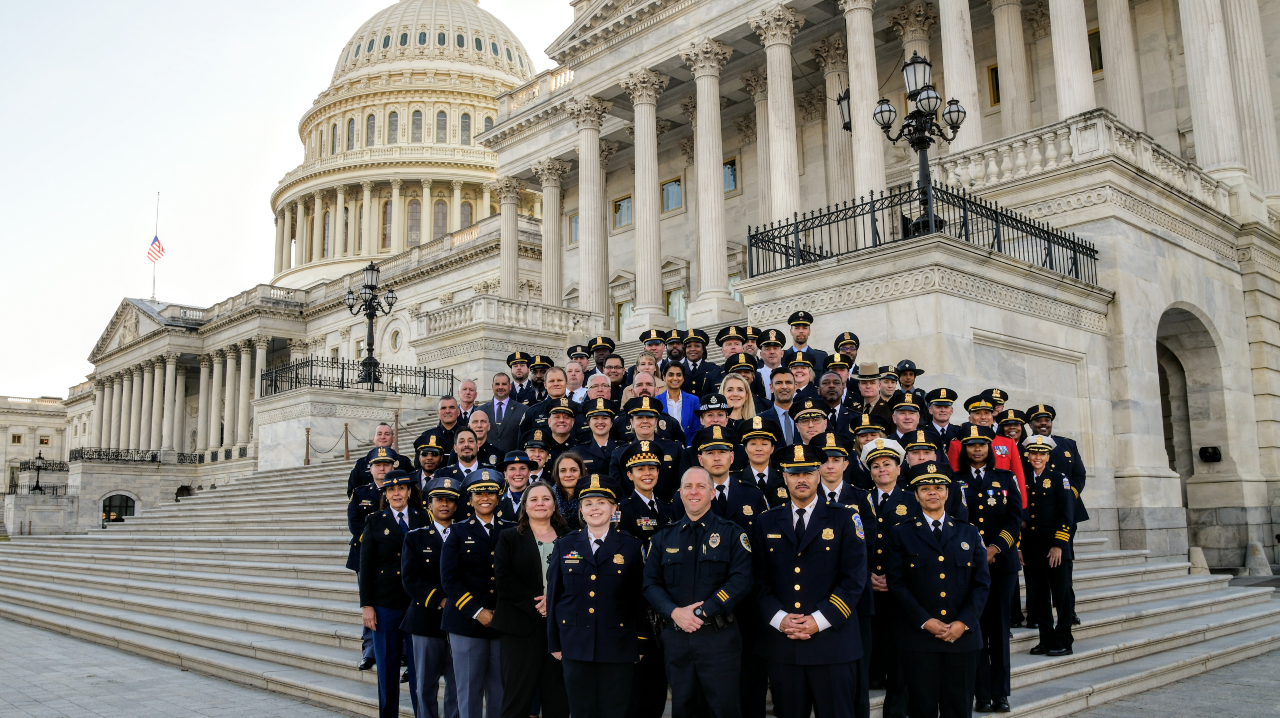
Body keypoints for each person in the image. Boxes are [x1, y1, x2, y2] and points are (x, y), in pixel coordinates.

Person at [752, 443, 868, 718]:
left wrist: (820, 619)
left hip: (833, 644)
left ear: (819, 475)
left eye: (808, 472)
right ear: (784, 477)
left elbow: (854, 579)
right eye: (794, 473)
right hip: (785, 645)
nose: (801, 479)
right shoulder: (766, 522)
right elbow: (758, 580)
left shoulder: (845, 518)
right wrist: (780, 619)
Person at [644, 467, 754, 718]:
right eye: (688, 487)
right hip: (677, 639)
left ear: (712, 493)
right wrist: (674, 613)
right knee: (684, 709)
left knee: (723, 710)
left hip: (719, 640)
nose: (694, 492)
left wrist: (703, 610)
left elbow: (741, 581)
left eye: (701, 486)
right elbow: (650, 584)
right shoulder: (663, 538)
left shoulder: (732, 534)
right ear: (680, 493)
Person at [886, 465, 991, 718]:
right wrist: (925, 621)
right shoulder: (901, 533)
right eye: (925, 489)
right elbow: (897, 584)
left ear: (947, 492)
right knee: (922, 709)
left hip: (962, 638)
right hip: (919, 639)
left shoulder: (969, 532)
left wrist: (964, 622)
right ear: (916, 495)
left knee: (959, 708)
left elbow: (981, 583)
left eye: (938, 488)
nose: (932, 493)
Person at [546, 475, 649, 718]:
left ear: (614, 508)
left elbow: (639, 600)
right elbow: (554, 598)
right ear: (581, 509)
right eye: (589, 503)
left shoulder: (632, 547)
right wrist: (554, 642)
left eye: (602, 502)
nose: (595, 508)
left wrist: (641, 642)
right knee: (581, 711)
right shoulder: (564, 545)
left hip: (618, 646)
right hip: (574, 645)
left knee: (614, 711)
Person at [954, 425, 1022, 714]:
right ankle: (980, 694)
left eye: (982, 444)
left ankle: (1000, 693)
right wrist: (976, 553)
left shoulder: (1006, 478)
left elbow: (1014, 518)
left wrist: (994, 549)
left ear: (990, 448)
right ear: (965, 449)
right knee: (975, 630)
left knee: (999, 630)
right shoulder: (954, 481)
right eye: (971, 445)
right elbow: (955, 521)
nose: (977, 449)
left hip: (1001, 565)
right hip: (969, 567)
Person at [493, 481, 571, 718]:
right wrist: (537, 604)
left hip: (561, 629)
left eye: (546, 499)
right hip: (520, 629)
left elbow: (579, 579)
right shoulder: (509, 537)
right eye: (534, 499)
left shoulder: (571, 538)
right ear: (525, 506)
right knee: (517, 699)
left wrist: (555, 602)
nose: (540, 503)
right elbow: (504, 578)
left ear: (554, 505)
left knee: (558, 699)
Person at [441, 468, 513, 718]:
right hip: (466, 622)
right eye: (479, 493)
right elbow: (450, 580)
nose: (485, 497)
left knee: (500, 690)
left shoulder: (512, 530)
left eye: (491, 492)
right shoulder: (458, 531)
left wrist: (504, 612)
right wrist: (478, 611)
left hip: (503, 622)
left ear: (499, 497)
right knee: (469, 691)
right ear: (470, 500)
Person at [360, 470, 429, 718]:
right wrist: (367, 605)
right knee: (387, 669)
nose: (396, 493)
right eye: (391, 489)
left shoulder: (424, 517)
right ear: (386, 494)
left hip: (418, 604)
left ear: (410, 491)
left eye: (401, 488)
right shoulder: (374, 521)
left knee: (418, 670)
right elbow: (365, 567)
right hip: (385, 605)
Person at [616, 442, 676, 718]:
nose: (647, 473)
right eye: (640, 469)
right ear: (630, 475)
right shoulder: (622, 512)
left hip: (665, 605)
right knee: (635, 683)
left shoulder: (669, 510)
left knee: (658, 681)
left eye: (652, 468)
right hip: (636, 607)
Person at [859, 438, 912, 717]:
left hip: (899, 587)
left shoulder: (911, 500)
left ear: (898, 468)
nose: (881, 470)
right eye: (876, 466)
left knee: (900, 650)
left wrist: (894, 578)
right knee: (871, 642)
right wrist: (866, 576)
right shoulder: (859, 499)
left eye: (887, 465)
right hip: (867, 586)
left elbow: (916, 547)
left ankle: (896, 709)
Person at [402, 476, 462, 718]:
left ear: (457, 505)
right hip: (426, 619)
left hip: (460, 620)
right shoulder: (415, 537)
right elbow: (410, 579)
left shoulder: (464, 535)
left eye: (449, 500)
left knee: (457, 685)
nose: (444, 504)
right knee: (425, 685)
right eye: (438, 500)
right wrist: (440, 600)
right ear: (429, 504)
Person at [1025, 404, 1087, 627]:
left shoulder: (1068, 444)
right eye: (1038, 420)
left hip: (1065, 515)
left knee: (1063, 567)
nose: (1043, 423)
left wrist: (1067, 497)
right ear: (1030, 424)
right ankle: (1037, 616)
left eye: (1047, 420)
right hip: (1037, 521)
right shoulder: (1026, 449)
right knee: (1037, 575)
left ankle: (1068, 611)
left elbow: (1079, 475)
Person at [1021, 435, 1076, 657]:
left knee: (1061, 596)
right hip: (1032, 548)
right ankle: (1046, 639)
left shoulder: (1058, 478)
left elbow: (1066, 515)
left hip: (1056, 549)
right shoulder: (1022, 479)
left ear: (1048, 456)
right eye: (1033, 453)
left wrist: (1059, 545)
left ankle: (1064, 640)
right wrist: (1019, 547)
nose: (1037, 457)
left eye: (1041, 454)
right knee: (1038, 596)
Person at [349, 447, 397, 670]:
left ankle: (401, 650)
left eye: (386, 464)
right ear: (370, 469)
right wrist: (374, 544)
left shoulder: (399, 492)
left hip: (394, 559)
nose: (382, 468)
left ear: (392, 467)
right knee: (369, 602)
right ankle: (369, 651)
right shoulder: (360, 494)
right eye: (378, 465)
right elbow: (355, 524)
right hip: (366, 557)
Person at [947, 396, 1027, 510]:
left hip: (1003, 506)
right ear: (970, 418)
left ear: (992, 416)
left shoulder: (1007, 442)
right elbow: (955, 478)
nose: (983, 417)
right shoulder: (957, 443)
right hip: (970, 504)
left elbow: (1018, 476)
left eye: (987, 413)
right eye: (978, 413)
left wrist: (1023, 510)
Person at [609, 397, 684, 501]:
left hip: (669, 511)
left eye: (649, 417)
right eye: (639, 418)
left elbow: (682, 485)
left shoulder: (675, 449)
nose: (645, 421)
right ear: (631, 422)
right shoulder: (619, 453)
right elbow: (618, 491)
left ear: (656, 421)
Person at [349, 422, 414, 497]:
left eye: (387, 434)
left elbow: (413, 487)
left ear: (393, 439)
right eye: (379, 434)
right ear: (373, 438)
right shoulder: (361, 463)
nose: (383, 437)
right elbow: (352, 490)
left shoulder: (404, 462)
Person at [735, 416, 787, 506]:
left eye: (764, 444)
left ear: (772, 448)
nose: (758, 448)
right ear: (746, 449)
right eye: (753, 444)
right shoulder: (735, 480)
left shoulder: (785, 478)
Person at [478, 373, 528, 455]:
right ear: (492, 386)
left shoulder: (522, 410)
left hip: (512, 460)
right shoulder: (480, 411)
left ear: (510, 387)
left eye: (504, 384)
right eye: (497, 384)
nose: (500, 387)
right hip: (486, 460)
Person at [575, 398, 624, 478]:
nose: (600, 422)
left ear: (611, 423)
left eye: (605, 418)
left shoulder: (623, 449)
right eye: (595, 418)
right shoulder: (578, 452)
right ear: (588, 423)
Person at [810, 431, 861, 506]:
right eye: (825, 461)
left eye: (836, 460)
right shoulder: (808, 495)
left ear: (845, 465)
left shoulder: (860, 496)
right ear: (818, 465)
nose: (830, 466)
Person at [658, 362, 700, 440]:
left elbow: (696, 430)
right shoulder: (657, 400)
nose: (675, 378)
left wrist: (688, 449)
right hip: (665, 448)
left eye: (679, 375)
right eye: (671, 375)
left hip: (687, 448)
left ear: (683, 378)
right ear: (664, 377)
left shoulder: (693, 400)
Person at [417, 397, 463, 462]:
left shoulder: (467, 435)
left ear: (458, 412)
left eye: (451, 407)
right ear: (438, 413)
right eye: (443, 408)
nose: (447, 411)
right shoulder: (427, 436)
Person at [496, 450, 536, 522]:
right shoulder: (496, 500)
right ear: (505, 473)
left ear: (529, 472)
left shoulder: (538, 499)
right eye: (512, 469)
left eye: (522, 468)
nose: (518, 473)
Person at [550, 452, 586, 530]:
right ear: (557, 474)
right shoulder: (548, 497)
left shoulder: (592, 497)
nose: (568, 474)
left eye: (573, 470)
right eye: (563, 471)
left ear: (581, 473)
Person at [681, 329, 722, 398]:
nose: (692, 349)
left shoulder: (714, 369)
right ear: (685, 350)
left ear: (703, 349)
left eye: (697, 346)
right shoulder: (678, 369)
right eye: (689, 346)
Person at [763, 367, 797, 445]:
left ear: (795, 387)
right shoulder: (762, 420)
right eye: (779, 383)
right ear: (771, 387)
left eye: (788, 382)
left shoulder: (804, 417)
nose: (784, 387)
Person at [925, 389, 962, 453]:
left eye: (946, 407)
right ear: (930, 410)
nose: (943, 410)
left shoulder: (960, 432)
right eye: (938, 407)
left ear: (951, 410)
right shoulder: (922, 432)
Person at [757, 328, 787, 398]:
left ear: (782, 353)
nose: (772, 352)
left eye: (775, 348)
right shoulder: (755, 375)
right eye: (767, 349)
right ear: (761, 355)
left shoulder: (790, 375)